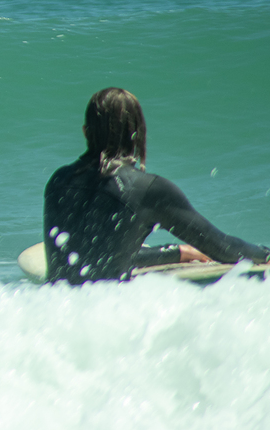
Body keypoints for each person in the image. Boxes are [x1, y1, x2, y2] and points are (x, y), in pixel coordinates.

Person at [42, 87, 268, 283]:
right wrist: (265, 254)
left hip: (59, 307)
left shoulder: (58, 182)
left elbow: (98, 255)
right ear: (137, 135)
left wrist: (176, 253)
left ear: (85, 132)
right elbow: (222, 249)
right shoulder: (147, 189)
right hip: (113, 311)